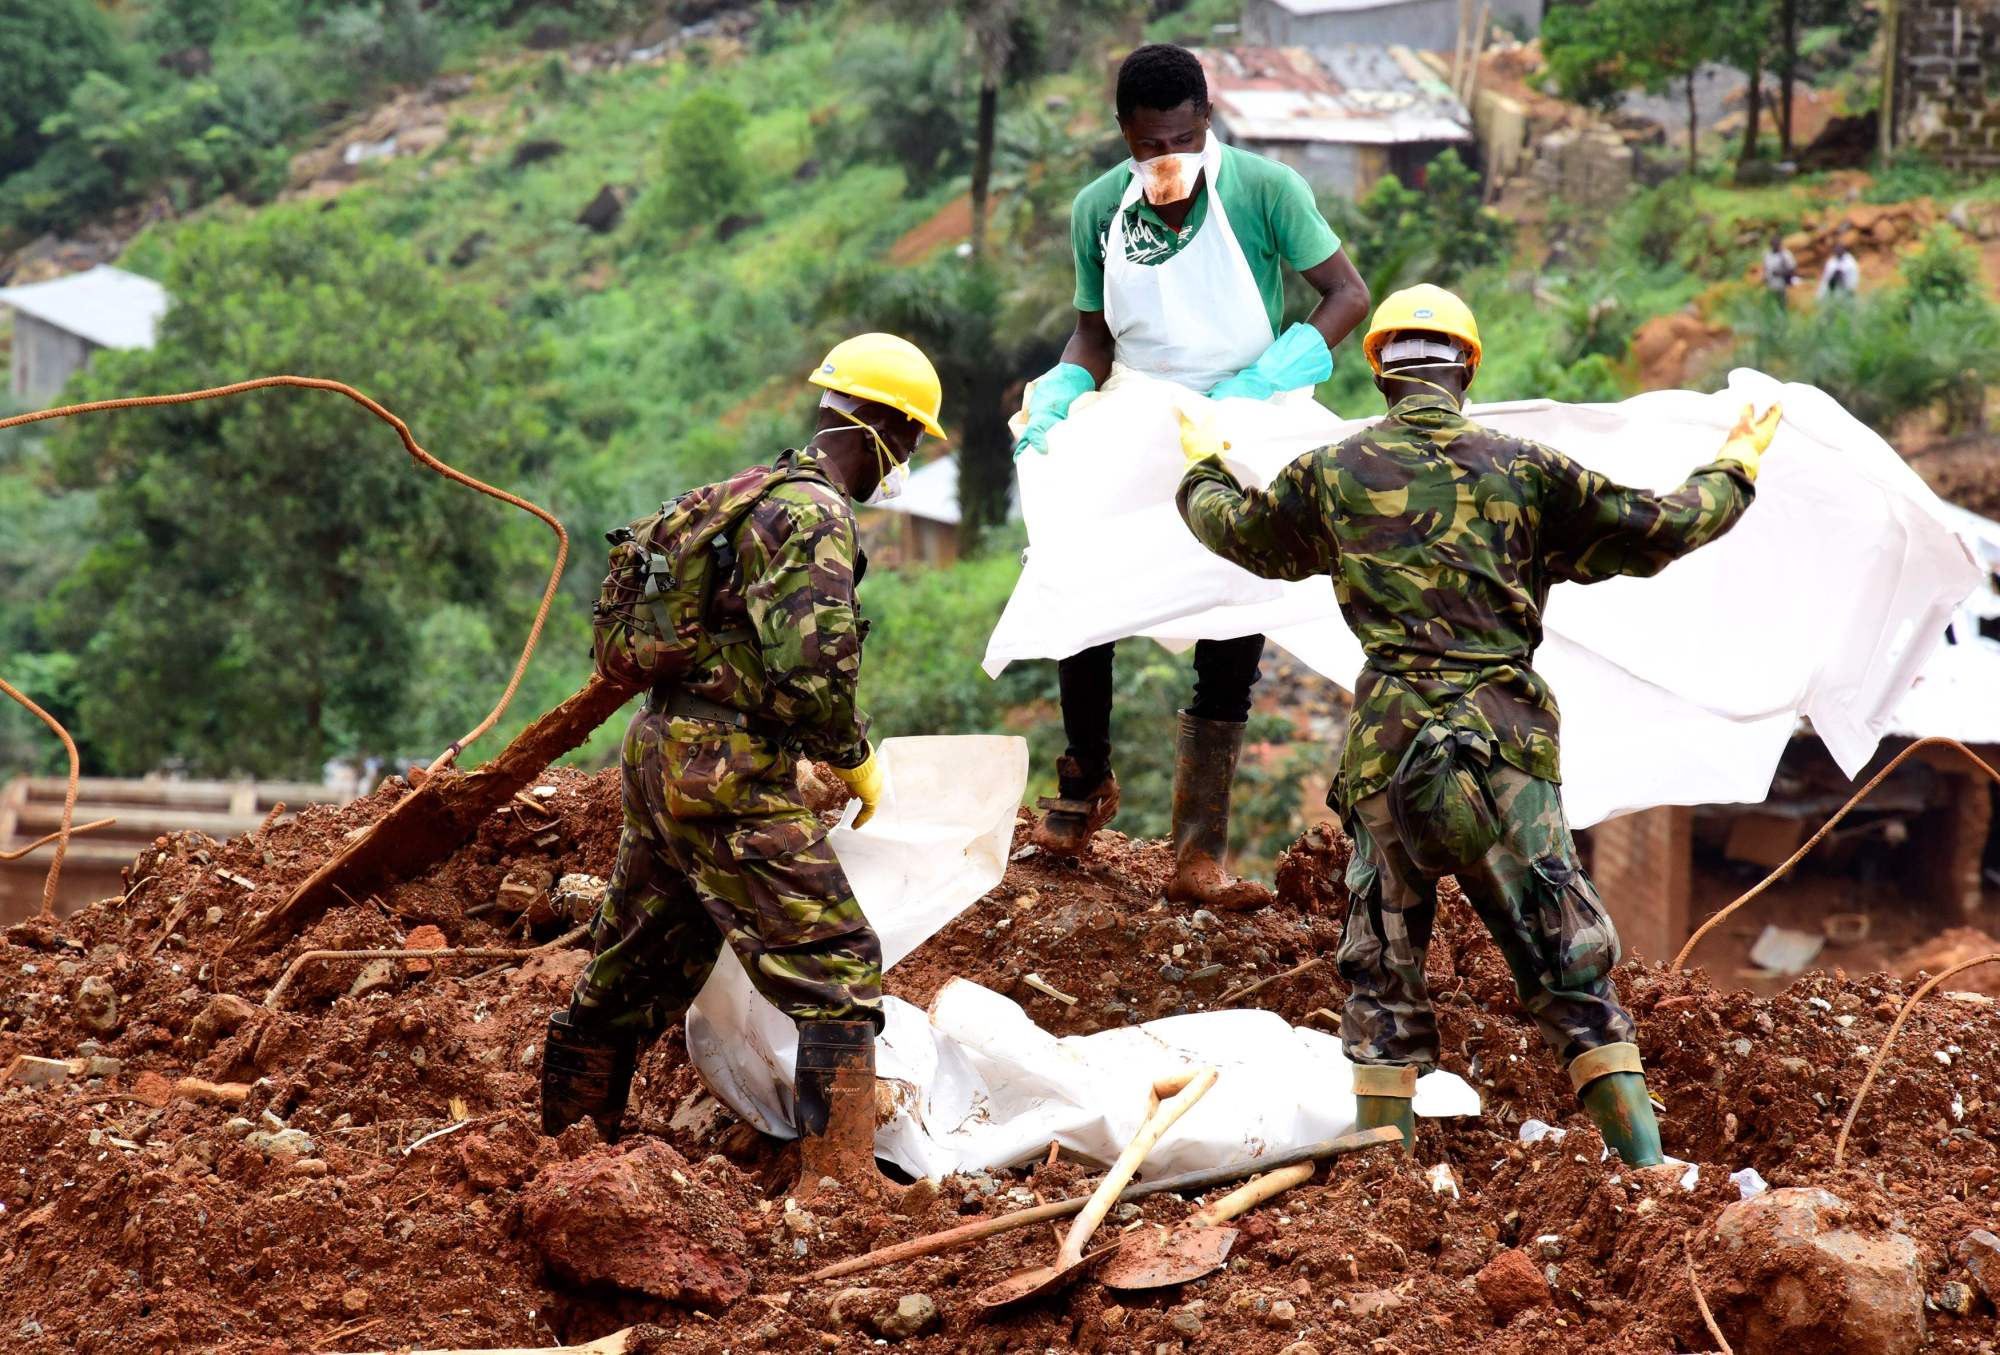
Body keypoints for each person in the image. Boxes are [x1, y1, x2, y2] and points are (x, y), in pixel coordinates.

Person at [1174, 284, 1780, 1166]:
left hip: (1389, 749)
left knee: (1381, 970)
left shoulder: (1331, 472)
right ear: (1469, 367)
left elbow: (1237, 532)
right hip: (1506, 746)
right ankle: (1647, 1174)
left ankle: (1386, 1186)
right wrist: (1737, 465)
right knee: (1569, 962)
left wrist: (1204, 466)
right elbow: (1663, 527)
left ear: (1377, 367)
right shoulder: (1530, 470)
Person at [540, 333, 945, 1201]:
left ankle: (557, 1160)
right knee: (837, 966)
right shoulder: (817, 514)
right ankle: (839, 1195)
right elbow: (814, 668)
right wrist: (855, 754)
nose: (902, 462)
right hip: (725, 772)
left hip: (658, 755)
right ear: (876, 424)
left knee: (633, 971)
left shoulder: (744, 496)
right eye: (908, 440)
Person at [1013, 42, 1370, 910]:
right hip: (1141, 407)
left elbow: (1347, 295)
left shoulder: (1263, 191)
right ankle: (1084, 777)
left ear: (1207, 120)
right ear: (1123, 136)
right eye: (1145, 147)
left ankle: (1197, 851)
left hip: (1245, 407)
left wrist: (1278, 367)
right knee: (1078, 568)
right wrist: (1067, 382)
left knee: (1234, 596)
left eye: (1178, 139)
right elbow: (1093, 334)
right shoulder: (1099, 208)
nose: (1163, 161)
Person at [1762, 234, 1799, 303]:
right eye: (1773, 244)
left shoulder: (1785, 254)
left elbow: (1793, 270)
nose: (1775, 246)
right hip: (1771, 286)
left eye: (1776, 244)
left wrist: (1780, 272)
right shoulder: (1767, 255)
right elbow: (1765, 269)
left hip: (1783, 286)